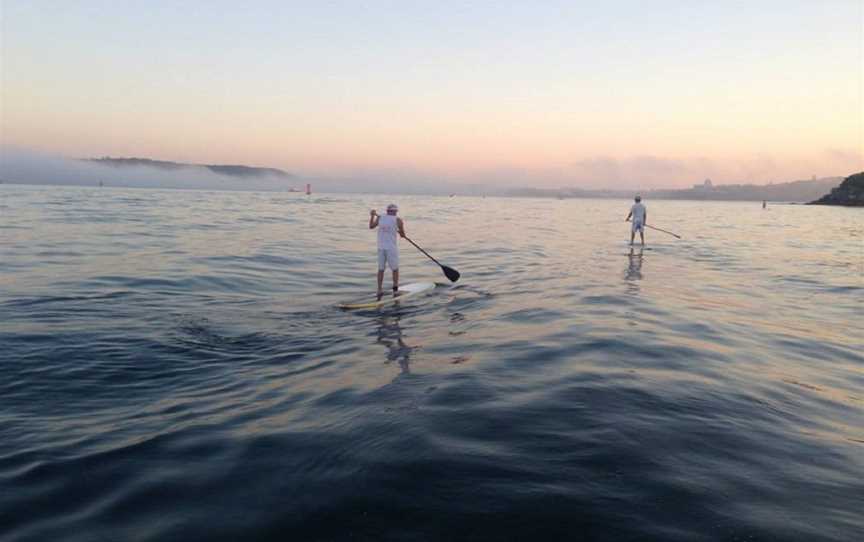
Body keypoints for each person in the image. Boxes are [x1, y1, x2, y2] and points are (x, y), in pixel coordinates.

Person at [369, 203, 406, 298]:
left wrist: (372, 216)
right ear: (395, 211)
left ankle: (379, 289)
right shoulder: (398, 220)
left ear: (387, 211)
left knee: (381, 269)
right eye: (395, 211)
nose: (394, 213)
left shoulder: (380, 217)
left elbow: (371, 226)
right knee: (395, 269)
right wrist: (401, 232)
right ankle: (395, 289)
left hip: (380, 248)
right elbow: (402, 235)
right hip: (391, 248)